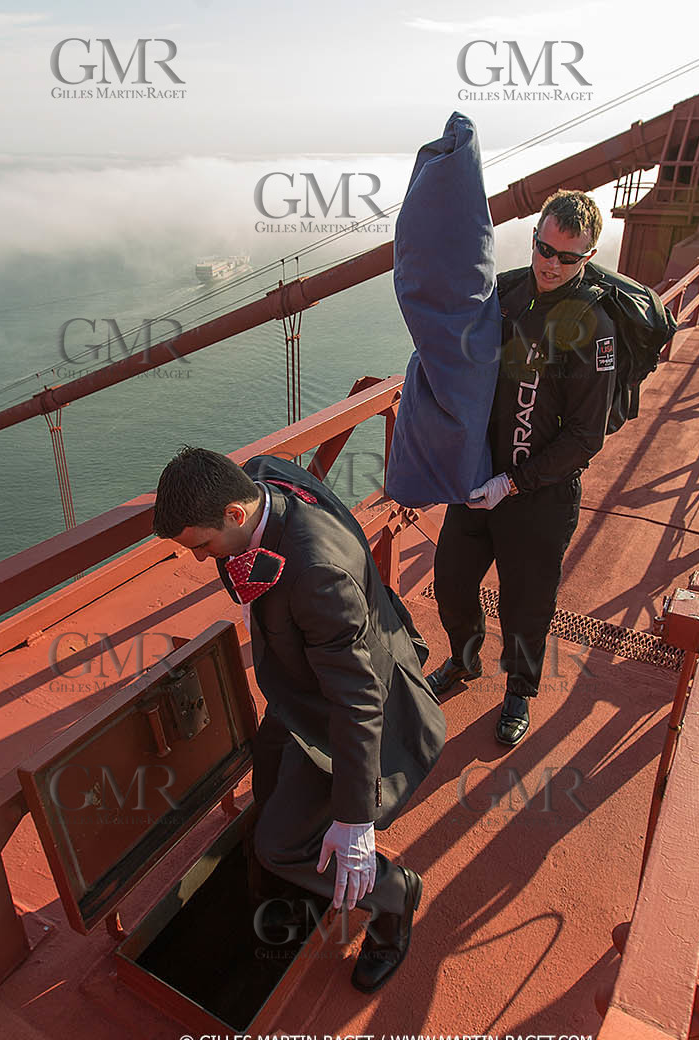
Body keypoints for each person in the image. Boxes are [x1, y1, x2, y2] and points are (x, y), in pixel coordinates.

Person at [152, 447, 446, 993]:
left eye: (202, 546)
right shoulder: (263, 475)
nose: (199, 559)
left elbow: (358, 700)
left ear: (235, 516)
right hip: (301, 689)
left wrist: (356, 821)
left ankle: (393, 897)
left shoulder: (315, 575)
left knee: (280, 845)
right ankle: (302, 871)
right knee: (268, 780)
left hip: (350, 710)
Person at [425, 189, 617, 746]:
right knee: (453, 583)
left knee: (525, 603)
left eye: (566, 257)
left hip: (538, 494)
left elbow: (587, 435)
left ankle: (518, 692)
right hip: (478, 479)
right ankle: (463, 661)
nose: (550, 265)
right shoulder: (505, 292)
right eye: (543, 248)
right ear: (534, 238)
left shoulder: (593, 326)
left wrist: (514, 482)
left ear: (588, 257)